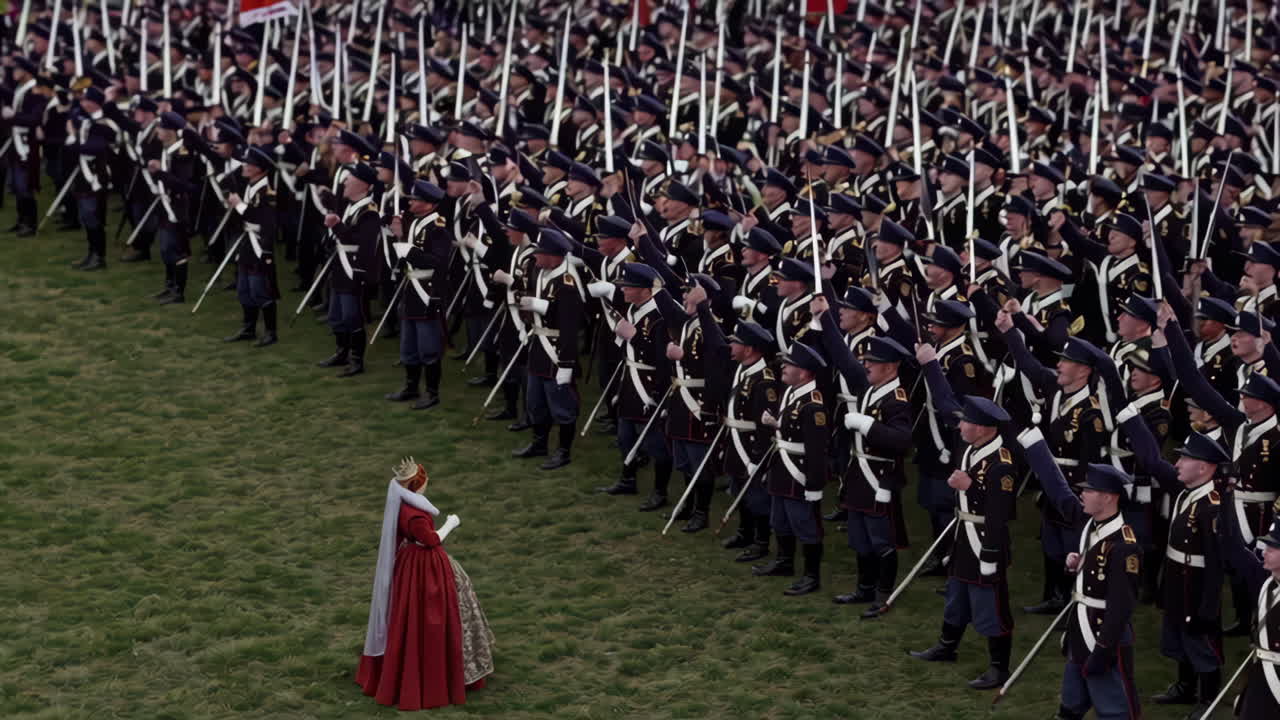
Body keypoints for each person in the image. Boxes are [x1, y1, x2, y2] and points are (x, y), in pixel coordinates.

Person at [1019, 429, 1143, 720]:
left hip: (1102, 636)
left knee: (1115, 709)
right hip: (1081, 630)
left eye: (1089, 490)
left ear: (1108, 498)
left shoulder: (1124, 547)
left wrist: (1104, 649)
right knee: (1070, 704)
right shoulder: (1093, 524)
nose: (1082, 494)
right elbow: (1059, 491)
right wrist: (1035, 445)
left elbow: (1121, 606)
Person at [356, 458, 494, 710]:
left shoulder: (406, 506)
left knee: (409, 614)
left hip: (412, 564)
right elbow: (431, 540)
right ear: (416, 484)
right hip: (425, 567)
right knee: (436, 613)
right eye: (424, 481)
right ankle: (435, 674)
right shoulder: (415, 515)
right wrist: (451, 523)